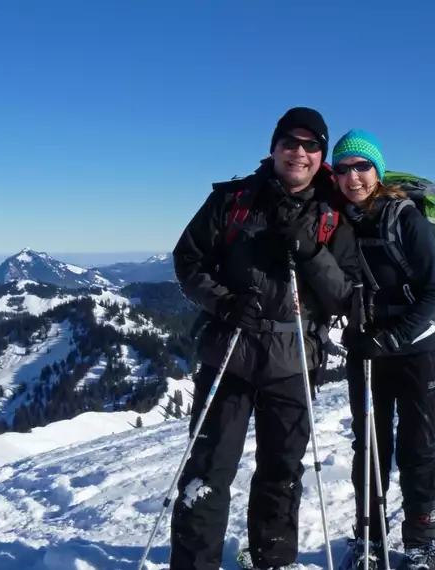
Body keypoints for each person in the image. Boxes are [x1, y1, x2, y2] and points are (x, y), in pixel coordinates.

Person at [170, 107, 361, 570]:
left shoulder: (334, 214)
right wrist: (224, 302)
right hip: (229, 351)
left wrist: (309, 251)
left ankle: (272, 561)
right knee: (208, 471)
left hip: (293, 359)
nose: (299, 152)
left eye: (311, 145)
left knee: (282, 472)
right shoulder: (233, 201)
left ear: (321, 157)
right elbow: (188, 260)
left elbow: (346, 297)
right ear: (273, 147)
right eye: (290, 142)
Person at [334, 130, 435, 570]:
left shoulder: (405, 218)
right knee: (369, 447)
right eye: (343, 169)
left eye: (362, 166)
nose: (353, 177)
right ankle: (371, 540)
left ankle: (421, 544)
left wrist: (392, 336)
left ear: (376, 171)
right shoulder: (339, 220)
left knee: (418, 448)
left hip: (417, 351)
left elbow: (433, 291)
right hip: (368, 352)